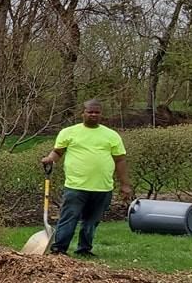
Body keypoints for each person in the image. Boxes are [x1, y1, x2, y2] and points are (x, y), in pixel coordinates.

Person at [40, 100, 134, 257]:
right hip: (76, 186)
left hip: (102, 187)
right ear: (82, 113)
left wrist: (125, 184)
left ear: (101, 114)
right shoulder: (69, 132)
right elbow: (58, 152)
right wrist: (50, 159)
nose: (93, 115)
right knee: (69, 217)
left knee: (91, 221)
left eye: (97, 112)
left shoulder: (111, 135)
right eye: (90, 112)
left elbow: (120, 160)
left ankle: (84, 249)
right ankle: (59, 249)